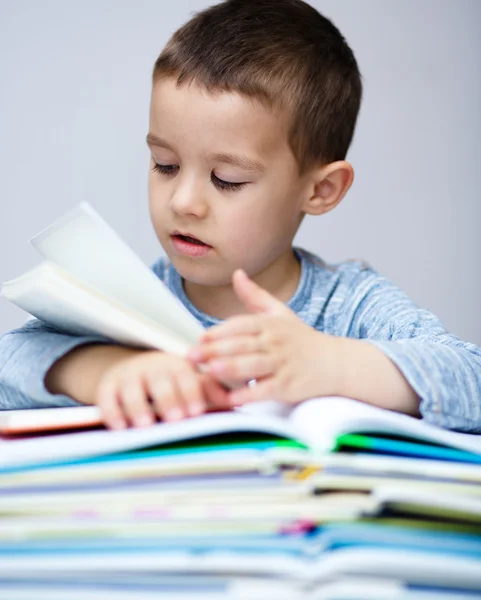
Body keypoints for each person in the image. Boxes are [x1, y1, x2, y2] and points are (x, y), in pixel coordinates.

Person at [1, 0, 480, 433]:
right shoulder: (128, 305)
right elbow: (8, 361)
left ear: (320, 190)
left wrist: (333, 364)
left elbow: (471, 379)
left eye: (226, 179)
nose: (183, 201)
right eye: (165, 165)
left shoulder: (352, 307)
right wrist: (107, 369)